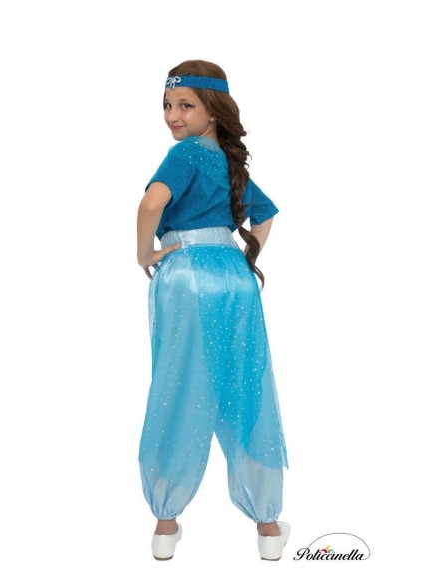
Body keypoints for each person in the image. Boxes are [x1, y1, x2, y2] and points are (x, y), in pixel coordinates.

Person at [136, 60, 290, 561]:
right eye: (167, 104)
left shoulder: (183, 154)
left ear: (213, 110)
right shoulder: (229, 162)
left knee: (177, 382)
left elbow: (151, 204)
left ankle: (165, 522)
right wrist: (244, 257)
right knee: (245, 381)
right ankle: (268, 525)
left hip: (185, 273)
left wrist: (144, 253)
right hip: (234, 277)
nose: (172, 115)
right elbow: (264, 215)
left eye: (185, 105)